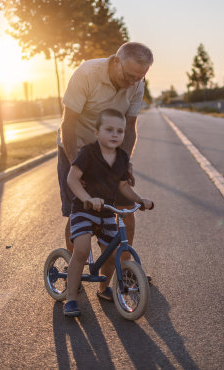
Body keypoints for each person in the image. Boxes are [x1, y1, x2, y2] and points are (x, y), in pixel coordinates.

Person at [57, 41, 153, 257]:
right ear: (116, 61)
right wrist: (75, 166)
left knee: (126, 210)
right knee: (80, 214)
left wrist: (124, 163)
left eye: (139, 78)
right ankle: (75, 271)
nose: (132, 83)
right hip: (76, 148)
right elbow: (68, 124)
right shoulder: (87, 74)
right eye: (129, 76)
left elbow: (129, 127)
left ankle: (126, 272)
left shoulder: (137, 83)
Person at [64, 109, 153, 317]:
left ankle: (104, 289)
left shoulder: (121, 157)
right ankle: (70, 298)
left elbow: (123, 186)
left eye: (120, 131)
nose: (115, 134)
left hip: (106, 212)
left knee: (114, 255)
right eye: (109, 130)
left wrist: (139, 200)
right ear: (97, 132)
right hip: (83, 210)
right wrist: (87, 199)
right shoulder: (87, 153)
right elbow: (72, 179)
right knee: (82, 249)